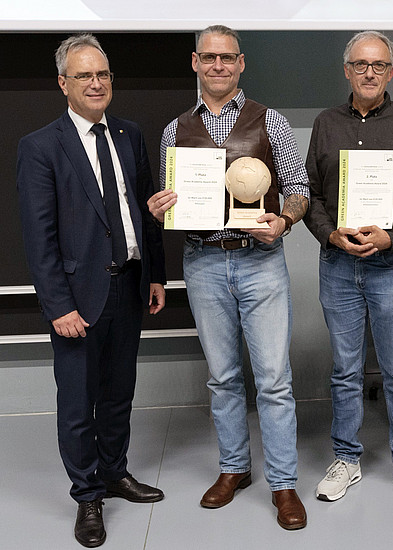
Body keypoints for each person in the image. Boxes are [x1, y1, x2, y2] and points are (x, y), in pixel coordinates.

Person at [147, 25, 308, 530]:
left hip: (260, 261)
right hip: (203, 262)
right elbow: (173, 199)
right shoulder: (176, 130)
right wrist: (160, 209)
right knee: (223, 378)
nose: (218, 66)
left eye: (228, 58)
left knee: (274, 380)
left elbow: (300, 188)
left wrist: (283, 220)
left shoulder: (271, 121)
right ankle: (234, 469)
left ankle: (283, 484)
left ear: (241, 64)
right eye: (209, 58)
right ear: (195, 63)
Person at [17, 33, 167, 548]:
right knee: (79, 403)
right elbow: (39, 238)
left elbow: (145, 212)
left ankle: (114, 473)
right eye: (84, 76)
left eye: (103, 74)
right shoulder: (40, 147)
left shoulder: (128, 133)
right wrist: (57, 305)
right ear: (63, 83)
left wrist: (154, 275)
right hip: (78, 299)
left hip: (128, 289)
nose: (97, 83)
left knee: (119, 392)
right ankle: (87, 495)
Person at [304, 30, 393, 504]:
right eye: (360, 65)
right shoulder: (325, 123)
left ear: (390, 72)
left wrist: (392, 237)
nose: (369, 73)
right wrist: (330, 233)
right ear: (347, 70)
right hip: (338, 265)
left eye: (378, 65)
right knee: (345, 370)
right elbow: (313, 196)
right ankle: (346, 458)